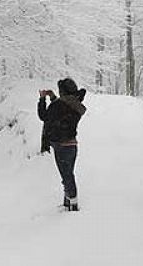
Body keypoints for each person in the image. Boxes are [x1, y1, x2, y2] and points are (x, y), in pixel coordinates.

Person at [37, 78, 87, 211]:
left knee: (66, 175)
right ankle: (67, 202)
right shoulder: (75, 104)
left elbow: (44, 116)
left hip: (60, 145)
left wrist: (42, 99)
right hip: (72, 145)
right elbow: (61, 110)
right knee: (68, 173)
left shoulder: (59, 105)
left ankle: (73, 204)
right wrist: (53, 97)